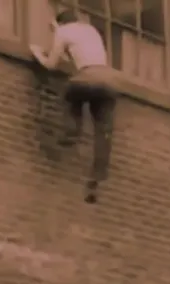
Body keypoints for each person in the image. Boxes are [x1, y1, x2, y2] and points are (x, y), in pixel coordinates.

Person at [30, 9, 118, 203]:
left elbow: (52, 64)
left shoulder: (63, 32)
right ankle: (97, 177)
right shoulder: (91, 30)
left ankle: (71, 133)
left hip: (86, 79)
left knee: (72, 96)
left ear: (60, 24)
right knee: (104, 132)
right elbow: (81, 53)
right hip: (109, 80)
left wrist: (39, 53)